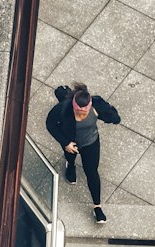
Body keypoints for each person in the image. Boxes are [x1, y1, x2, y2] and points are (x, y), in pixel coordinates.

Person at [45, 81, 121, 224]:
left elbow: (116, 119)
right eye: (78, 112)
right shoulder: (63, 108)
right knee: (70, 157)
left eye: (84, 112)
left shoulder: (96, 104)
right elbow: (50, 124)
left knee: (92, 172)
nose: (81, 115)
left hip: (90, 142)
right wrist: (65, 142)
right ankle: (70, 165)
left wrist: (108, 112)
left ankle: (97, 206)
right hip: (71, 142)